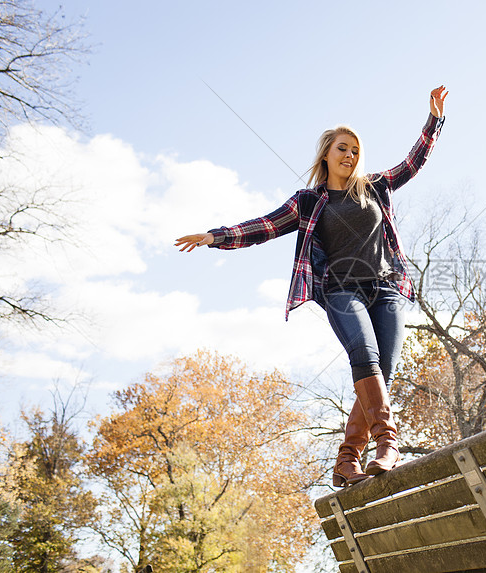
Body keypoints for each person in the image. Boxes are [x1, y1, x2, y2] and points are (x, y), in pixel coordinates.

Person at [176, 86, 448, 487]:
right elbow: (263, 227)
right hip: (340, 290)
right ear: (326, 153)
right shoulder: (308, 201)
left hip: (387, 288)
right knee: (365, 355)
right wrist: (214, 237)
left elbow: (413, 162)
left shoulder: (376, 186)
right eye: (343, 148)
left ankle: (346, 460)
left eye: (355, 150)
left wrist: (434, 119)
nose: (350, 156)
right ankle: (388, 442)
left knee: (381, 374)